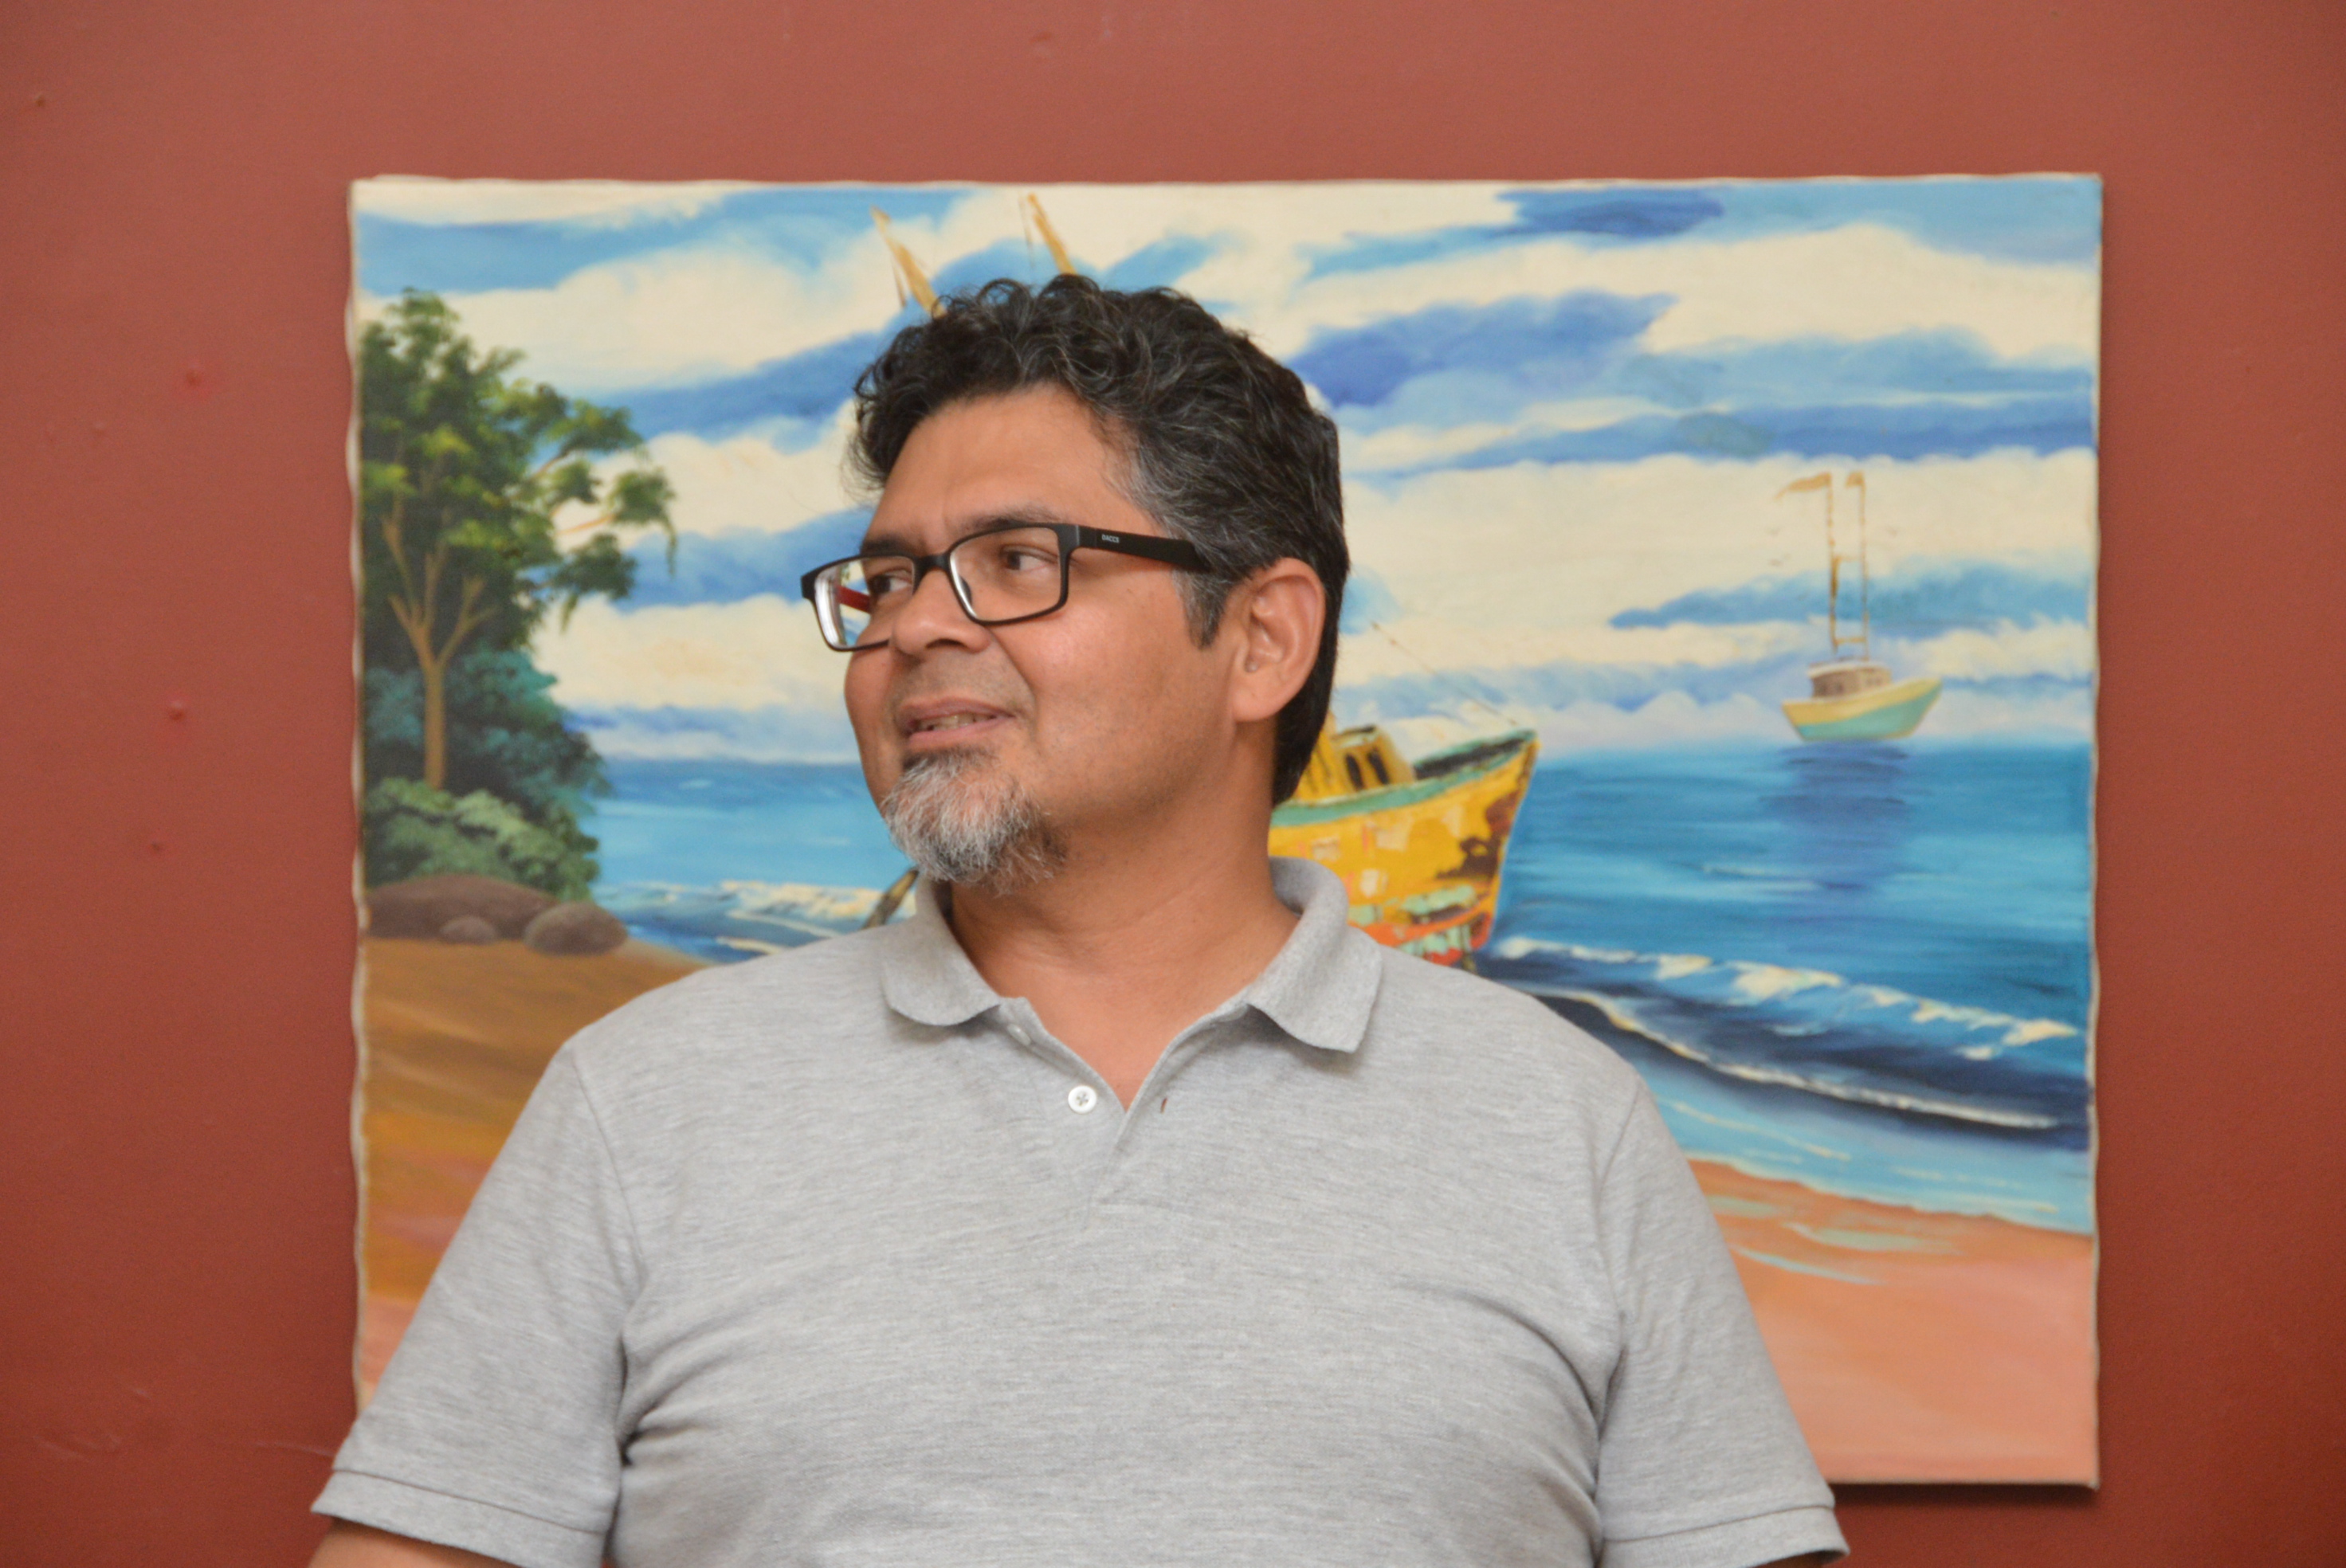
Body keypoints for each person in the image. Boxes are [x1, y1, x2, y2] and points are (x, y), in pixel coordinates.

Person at [312, 277, 1845, 1568]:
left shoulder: (1562, 1119)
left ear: (1262, 639)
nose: (916, 625)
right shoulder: (640, 1102)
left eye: (1014, 563)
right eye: (888, 577)